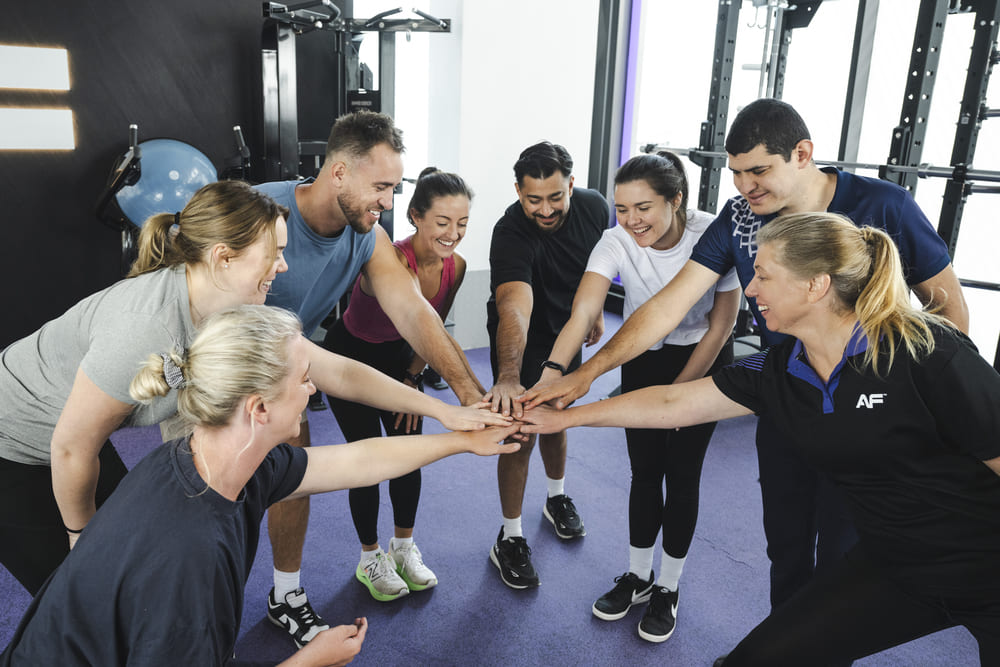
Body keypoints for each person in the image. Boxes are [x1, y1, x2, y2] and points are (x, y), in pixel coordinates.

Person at [524, 99, 969, 612]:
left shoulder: (884, 205)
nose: (744, 186)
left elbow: (948, 312)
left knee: (846, 557)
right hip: (784, 395)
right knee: (786, 548)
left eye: (758, 170)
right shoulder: (739, 218)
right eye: (736, 173)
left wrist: (919, 407)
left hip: (865, 413)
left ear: (802, 154)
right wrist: (581, 377)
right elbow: (670, 308)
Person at [521, 213, 1000, 665]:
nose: (751, 288)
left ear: (816, 285)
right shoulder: (781, 371)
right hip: (895, 566)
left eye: (764, 276)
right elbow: (672, 404)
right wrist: (565, 418)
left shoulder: (927, 354)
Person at [1, 304, 520, 667]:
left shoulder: (215, 457)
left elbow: (358, 460)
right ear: (260, 409)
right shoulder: (190, 553)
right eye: (303, 378)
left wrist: (459, 439)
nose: (314, 386)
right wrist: (309, 660)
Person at [256, 110, 496, 643]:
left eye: (394, 188)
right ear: (339, 173)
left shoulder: (367, 235)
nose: (388, 202)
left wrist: (471, 398)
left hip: (288, 360)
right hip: (213, 363)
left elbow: (414, 313)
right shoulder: (260, 210)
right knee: (213, 498)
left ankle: (285, 593)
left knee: (292, 469)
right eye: (382, 187)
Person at [0, 180, 288, 595]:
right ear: (223, 257)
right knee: (76, 598)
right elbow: (70, 447)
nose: (282, 266)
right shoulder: (145, 327)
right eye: (274, 254)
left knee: (132, 560)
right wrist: (84, 543)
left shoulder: (210, 303)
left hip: (68, 436)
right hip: (11, 445)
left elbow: (180, 417)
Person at [540, 152, 740, 641]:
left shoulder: (711, 232)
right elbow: (583, 310)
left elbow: (722, 324)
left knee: (683, 473)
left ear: (675, 200)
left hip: (703, 360)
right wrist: (553, 373)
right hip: (642, 355)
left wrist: (678, 395)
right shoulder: (615, 240)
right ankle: (638, 576)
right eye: (621, 208)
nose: (631, 221)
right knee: (645, 469)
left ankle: (668, 587)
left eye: (643, 207)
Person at [324, 168, 473, 601]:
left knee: (408, 456)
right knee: (369, 458)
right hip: (349, 359)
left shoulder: (456, 267)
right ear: (415, 217)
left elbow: (434, 328)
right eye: (443, 222)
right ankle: (370, 557)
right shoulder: (388, 259)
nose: (453, 234)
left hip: (399, 364)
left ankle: (404, 548)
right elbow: (413, 314)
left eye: (462, 223)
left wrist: (412, 378)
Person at [485, 141, 609, 589]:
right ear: (518, 192)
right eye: (533, 199)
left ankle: (555, 498)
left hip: (567, 328)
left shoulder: (594, 208)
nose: (546, 209)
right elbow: (515, 306)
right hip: (522, 336)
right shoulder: (510, 231)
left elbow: (597, 265)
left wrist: (592, 313)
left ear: (571, 185)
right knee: (520, 432)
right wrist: (509, 376)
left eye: (556, 197)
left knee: (556, 420)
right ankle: (510, 535)